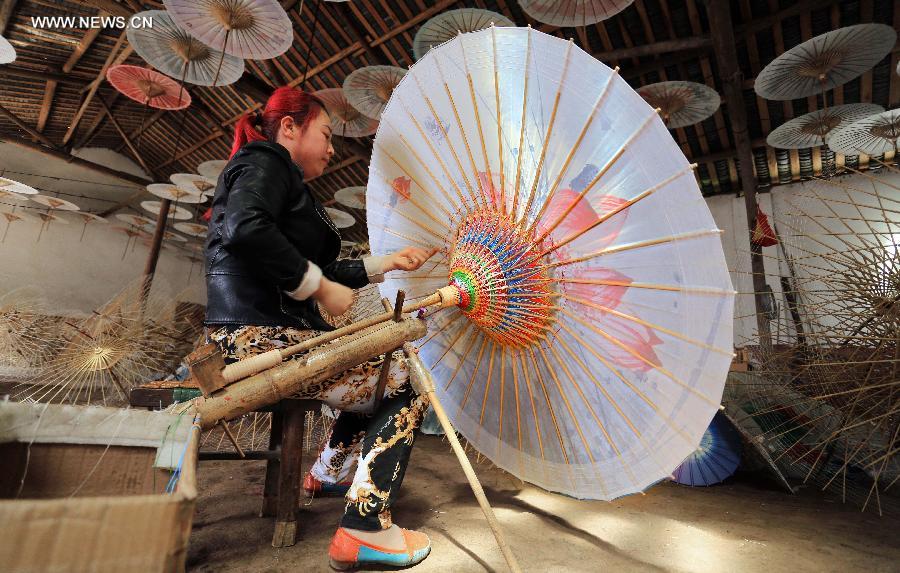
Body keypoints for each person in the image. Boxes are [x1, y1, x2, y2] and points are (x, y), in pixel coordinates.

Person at [204, 86, 438, 570]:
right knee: (406, 384)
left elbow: (320, 266)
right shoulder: (266, 160)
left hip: (261, 330)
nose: (333, 149)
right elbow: (245, 228)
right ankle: (365, 528)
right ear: (289, 127)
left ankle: (329, 473)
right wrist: (317, 287)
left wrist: (387, 262)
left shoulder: (280, 179)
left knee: (376, 372)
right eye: (326, 135)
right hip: (257, 336)